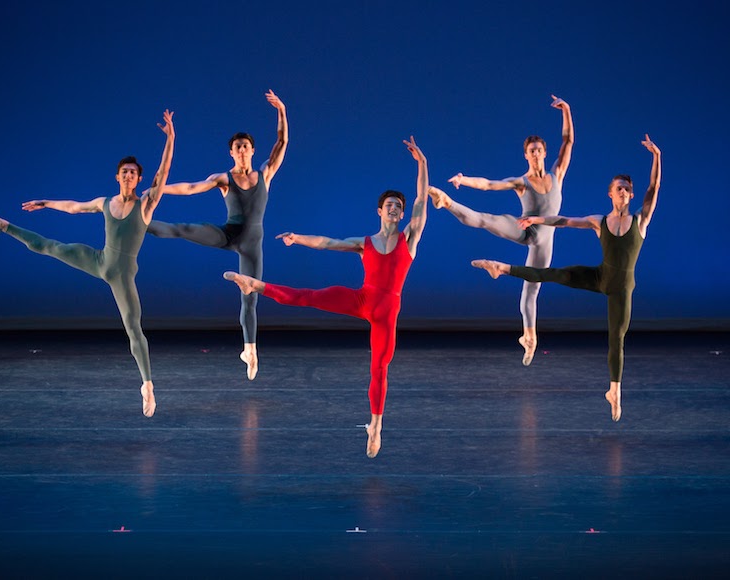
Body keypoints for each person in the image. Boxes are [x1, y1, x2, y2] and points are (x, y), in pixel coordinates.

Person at [224, 137, 429, 458]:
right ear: (379, 211)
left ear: (402, 215)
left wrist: (422, 162)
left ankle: (375, 426)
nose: (394, 208)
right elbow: (328, 242)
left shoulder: (410, 238)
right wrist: (298, 238)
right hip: (362, 300)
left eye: (398, 206)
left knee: (379, 369)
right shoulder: (365, 243)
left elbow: (421, 199)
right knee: (310, 296)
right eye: (389, 204)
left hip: (387, 312)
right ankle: (255, 286)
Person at [0, 110, 175, 418]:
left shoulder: (145, 204)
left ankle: (147, 386)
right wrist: (46, 202)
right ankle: (2, 225)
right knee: (50, 246)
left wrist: (171, 138)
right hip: (99, 261)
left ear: (139, 179)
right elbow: (73, 208)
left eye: (134, 173)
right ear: (117, 176)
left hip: (122, 276)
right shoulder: (105, 202)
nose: (129, 176)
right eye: (125, 172)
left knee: (134, 329)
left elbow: (163, 174)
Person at [472, 135, 661, 422]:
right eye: (618, 188)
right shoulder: (600, 221)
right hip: (600, 277)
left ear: (631, 195)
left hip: (622, 290)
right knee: (553, 274)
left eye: (627, 189)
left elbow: (654, 187)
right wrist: (538, 220)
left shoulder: (640, 221)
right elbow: (564, 221)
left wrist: (656, 156)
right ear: (610, 193)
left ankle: (614, 391)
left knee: (616, 338)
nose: (623, 192)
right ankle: (502, 268)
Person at [146, 90, 288, 381]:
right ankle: (137, 222)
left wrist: (282, 110)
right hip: (227, 235)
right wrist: (158, 190)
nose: (242, 150)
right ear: (231, 153)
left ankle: (250, 349)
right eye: (237, 147)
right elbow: (190, 187)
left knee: (249, 297)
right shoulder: (223, 178)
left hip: (251, 245)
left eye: (246, 146)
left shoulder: (266, 173)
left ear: (252, 150)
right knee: (182, 229)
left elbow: (282, 141)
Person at [428, 95, 574, 366]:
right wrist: (464, 180)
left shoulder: (557, 175)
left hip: (544, 242)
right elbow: (489, 185)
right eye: (530, 150)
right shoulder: (521, 182)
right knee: (486, 220)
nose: (535, 154)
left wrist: (566, 110)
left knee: (531, 290)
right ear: (526, 155)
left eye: (538, 149)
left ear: (544, 152)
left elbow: (568, 141)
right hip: (523, 230)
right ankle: (446, 202)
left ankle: (529, 337)